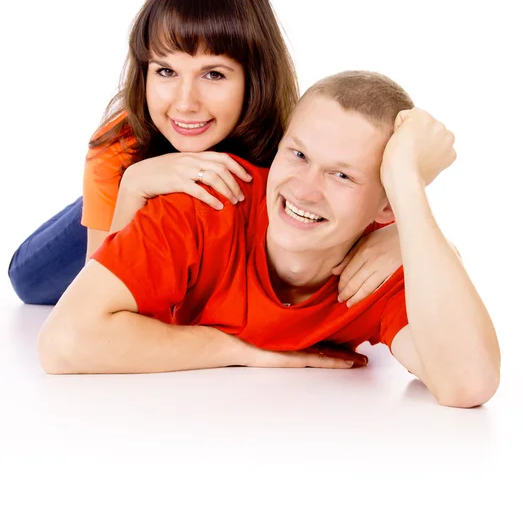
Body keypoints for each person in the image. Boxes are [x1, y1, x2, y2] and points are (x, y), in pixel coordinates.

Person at [38, 71, 501, 408]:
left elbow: (468, 383)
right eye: (297, 154)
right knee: (29, 278)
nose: (304, 188)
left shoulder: (377, 262)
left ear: (386, 207)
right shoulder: (203, 204)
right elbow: (63, 341)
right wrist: (242, 352)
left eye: (342, 175)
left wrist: (408, 185)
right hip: (115, 198)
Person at [8, 0, 401, 307]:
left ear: (254, 77)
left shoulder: (292, 141)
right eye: (165, 71)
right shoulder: (120, 146)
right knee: (26, 281)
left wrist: (399, 240)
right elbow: (97, 303)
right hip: (122, 199)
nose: (185, 103)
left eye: (213, 74)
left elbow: (374, 200)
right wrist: (134, 186)